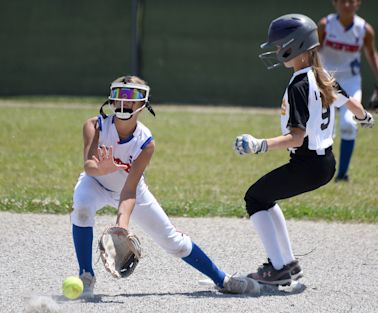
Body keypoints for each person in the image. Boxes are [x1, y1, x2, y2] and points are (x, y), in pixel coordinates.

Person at [70, 75, 259, 298]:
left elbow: (129, 190)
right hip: (95, 183)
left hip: (133, 192)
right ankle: (86, 276)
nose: (126, 101)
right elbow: (89, 166)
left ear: (143, 104)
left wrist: (121, 227)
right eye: (121, 94)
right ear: (111, 99)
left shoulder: (145, 142)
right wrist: (104, 169)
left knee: (173, 242)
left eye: (133, 96)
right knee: (82, 206)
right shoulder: (94, 126)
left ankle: (221, 279)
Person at [234, 14, 374, 285]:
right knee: (264, 197)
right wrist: (365, 118)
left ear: (293, 46)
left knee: (254, 198)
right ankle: (286, 265)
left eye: (279, 45)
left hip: (308, 164)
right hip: (325, 163)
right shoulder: (322, 76)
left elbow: (296, 138)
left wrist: (259, 144)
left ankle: (280, 268)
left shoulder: (299, 85)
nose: (276, 51)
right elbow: (353, 107)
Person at [318, 0, 378, 181]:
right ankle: (317, 171)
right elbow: (313, 52)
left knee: (348, 124)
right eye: (342, 0)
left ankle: (342, 175)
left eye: (351, 0)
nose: (346, 4)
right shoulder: (325, 25)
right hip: (326, 81)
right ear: (334, 3)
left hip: (350, 82)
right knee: (318, 127)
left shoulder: (364, 29)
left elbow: (371, 54)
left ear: (358, 3)